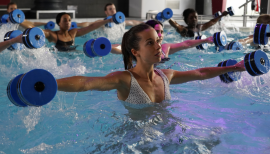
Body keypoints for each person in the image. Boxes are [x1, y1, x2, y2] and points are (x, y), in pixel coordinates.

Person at [56, 24, 246, 104]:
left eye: (157, 40)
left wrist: (235, 67)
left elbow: (201, 73)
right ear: (135, 52)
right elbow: (86, 83)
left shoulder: (165, 76)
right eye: (150, 43)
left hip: (166, 135)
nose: (158, 46)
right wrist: (51, 84)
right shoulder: (125, 79)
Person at [111, 20, 213, 62]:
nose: (160, 35)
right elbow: (121, 48)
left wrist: (205, 40)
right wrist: (107, 48)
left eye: (162, 32)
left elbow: (186, 43)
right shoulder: (140, 48)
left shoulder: (165, 48)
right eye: (156, 31)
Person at [37, 12, 112, 51]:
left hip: (73, 55)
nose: (68, 22)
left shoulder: (73, 33)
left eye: (69, 20)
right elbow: (38, 31)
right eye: (65, 20)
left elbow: (91, 27)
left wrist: (108, 20)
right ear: (59, 23)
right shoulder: (52, 34)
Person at [77, 3, 143, 28]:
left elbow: (133, 22)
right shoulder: (102, 22)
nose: (113, 10)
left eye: (114, 9)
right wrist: (76, 25)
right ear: (106, 12)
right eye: (110, 9)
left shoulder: (121, 23)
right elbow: (89, 24)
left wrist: (145, 23)